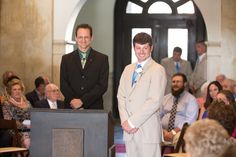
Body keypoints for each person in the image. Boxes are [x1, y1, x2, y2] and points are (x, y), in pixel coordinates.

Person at [117, 32, 166, 157]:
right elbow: (121, 96)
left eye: (145, 48)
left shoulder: (157, 69)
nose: (141, 51)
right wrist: (125, 122)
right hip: (129, 131)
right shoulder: (128, 69)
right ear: (134, 48)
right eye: (138, 48)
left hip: (147, 131)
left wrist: (132, 122)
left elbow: (154, 101)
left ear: (151, 48)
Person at [60, 24, 109, 109]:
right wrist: (74, 101)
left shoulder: (102, 59)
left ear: (91, 38)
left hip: (94, 107)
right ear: (76, 38)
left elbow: (102, 85)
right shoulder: (66, 59)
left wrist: (82, 101)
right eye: (80, 37)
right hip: (71, 107)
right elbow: (64, 84)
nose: (83, 40)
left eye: (86, 37)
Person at [160, 73, 199, 142]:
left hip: (180, 131)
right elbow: (158, 116)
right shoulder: (165, 98)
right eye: (173, 82)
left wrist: (173, 132)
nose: (175, 84)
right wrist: (162, 131)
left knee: (179, 138)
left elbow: (190, 120)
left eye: (178, 82)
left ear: (184, 84)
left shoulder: (191, 99)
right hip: (163, 131)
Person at [1, 77, 31, 150]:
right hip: (16, 132)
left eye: (19, 89)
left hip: (32, 129)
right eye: (14, 89)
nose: (17, 91)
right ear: (10, 91)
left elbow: (34, 117)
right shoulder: (6, 104)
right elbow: (10, 121)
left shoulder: (27, 103)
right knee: (28, 142)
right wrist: (26, 124)